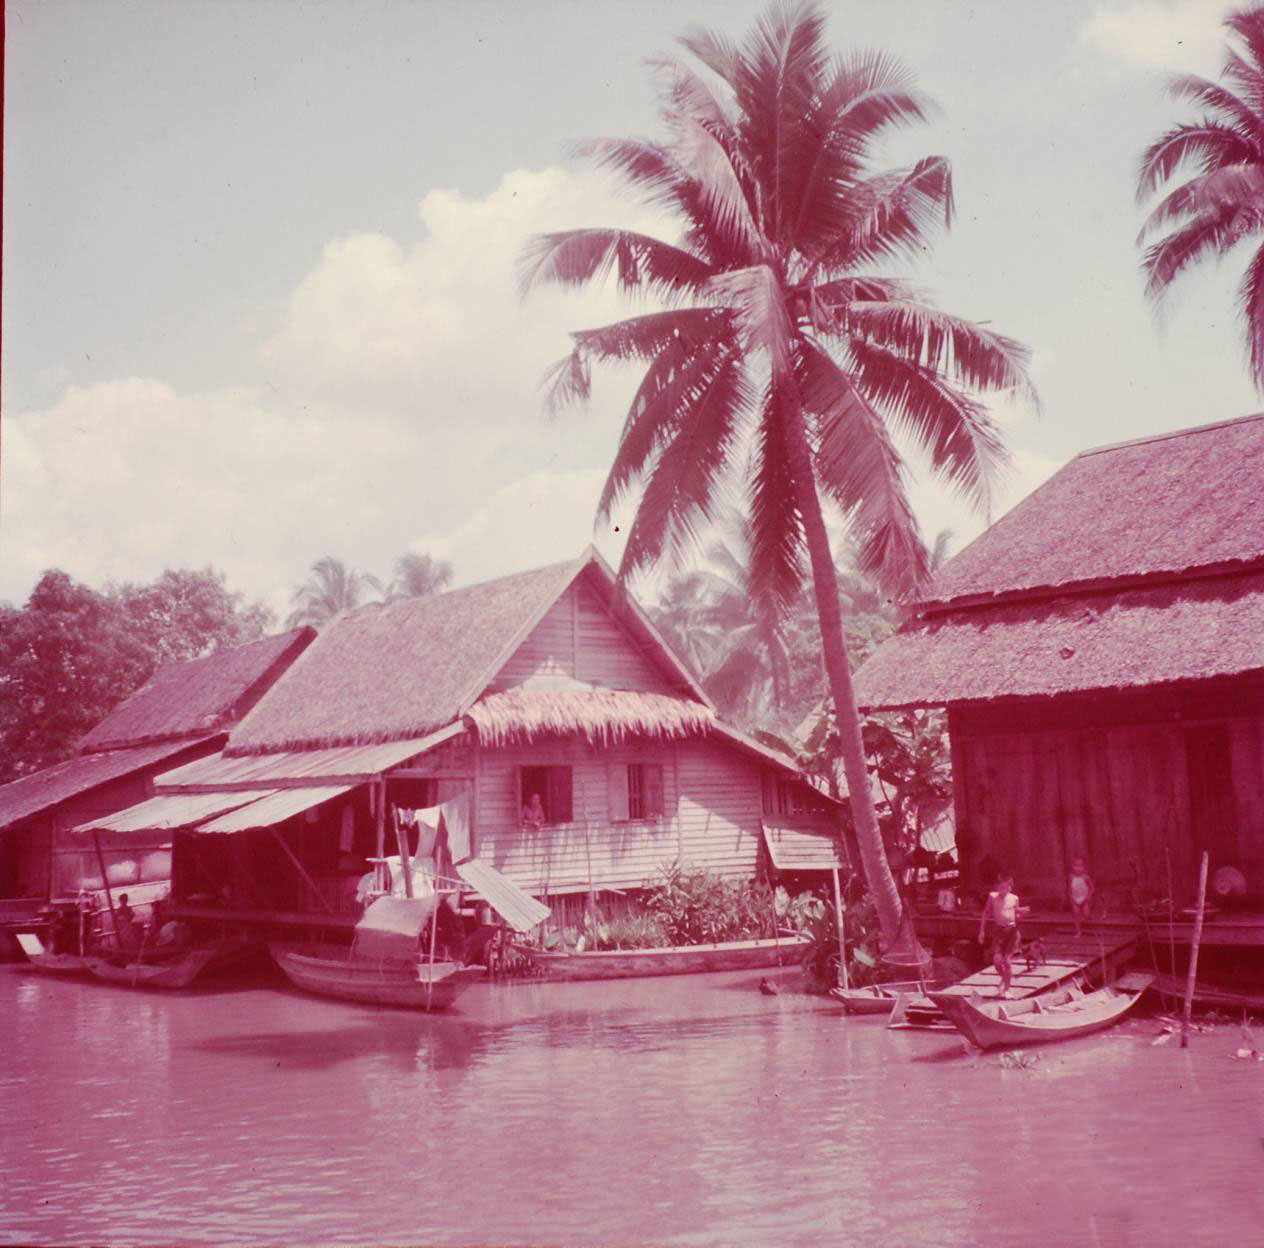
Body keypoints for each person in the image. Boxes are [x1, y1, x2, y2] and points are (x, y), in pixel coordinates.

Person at [978, 872, 1021, 997]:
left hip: (1012, 930)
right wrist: (982, 931)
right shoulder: (992, 897)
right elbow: (985, 914)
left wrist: (1019, 914)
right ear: (996, 887)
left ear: (1010, 887)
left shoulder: (1014, 898)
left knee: (1007, 961)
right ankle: (1005, 978)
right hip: (999, 931)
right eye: (1000, 888)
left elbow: (1017, 914)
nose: (1003, 890)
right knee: (997, 961)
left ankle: (1007, 989)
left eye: (1006, 888)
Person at [1068, 856, 1094, 936]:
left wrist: (1088, 896)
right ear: (1073, 867)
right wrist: (1071, 897)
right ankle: (1078, 931)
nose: (1078, 868)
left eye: (1080, 866)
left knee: (1086, 914)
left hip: (1084, 898)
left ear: (1084, 867)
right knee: (1076, 913)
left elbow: (1092, 888)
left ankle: (1089, 918)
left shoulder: (1086, 877)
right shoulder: (1071, 877)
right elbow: (1069, 888)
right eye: (1076, 866)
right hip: (1075, 898)